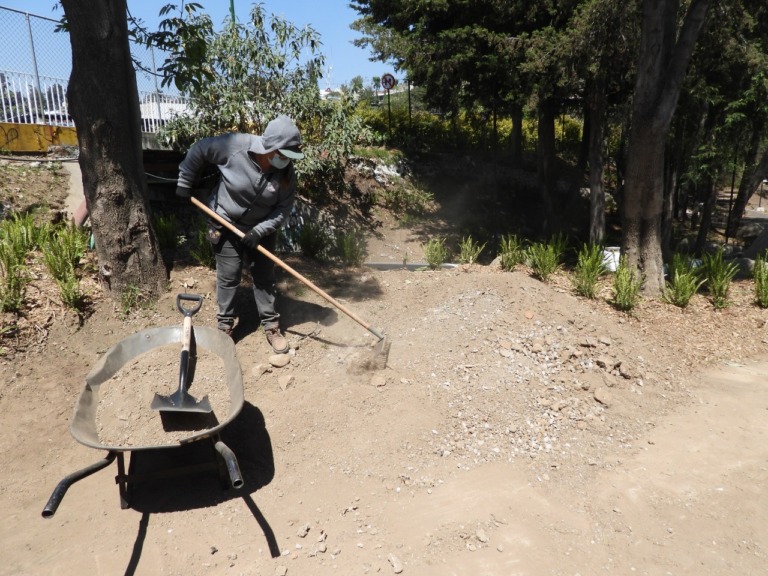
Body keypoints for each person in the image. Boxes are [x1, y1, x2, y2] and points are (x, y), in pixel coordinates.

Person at [175, 115, 304, 354]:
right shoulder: (236, 147)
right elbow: (200, 149)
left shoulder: (286, 173)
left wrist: (260, 230)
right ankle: (224, 328)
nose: (287, 161)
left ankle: (271, 326)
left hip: (261, 228)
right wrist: (185, 180)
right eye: (285, 154)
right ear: (271, 148)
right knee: (229, 276)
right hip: (224, 221)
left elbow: (283, 208)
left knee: (264, 276)